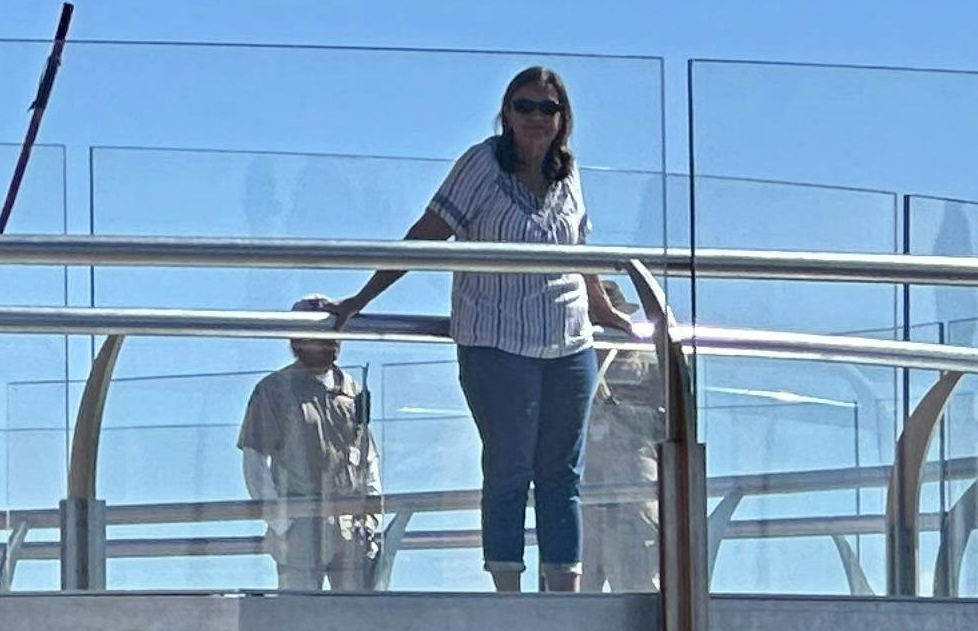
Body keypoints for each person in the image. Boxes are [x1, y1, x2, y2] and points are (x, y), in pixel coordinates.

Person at [311, 69, 642, 593]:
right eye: (525, 106)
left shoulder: (568, 171)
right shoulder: (482, 165)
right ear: (506, 113)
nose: (536, 117)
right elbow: (427, 233)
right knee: (509, 468)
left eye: (548, 108)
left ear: (563, 118)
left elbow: (580, 251)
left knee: (562, 474)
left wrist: (603, 310)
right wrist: (361, 299)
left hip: (569, 342)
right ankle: (509, 604)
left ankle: (564, 606)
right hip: (497, 342)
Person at [237, 329, 386, 591]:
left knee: (357, 613)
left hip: (349, 529)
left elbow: (367, 458)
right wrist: (282, 524)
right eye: (321, 334)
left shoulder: (350, 390)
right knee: (299, 612)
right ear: (298, 340)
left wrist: (370, 520)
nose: (332, 341)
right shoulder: (275, 389)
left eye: (335, 333)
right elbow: (254, 461)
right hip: (300, 526)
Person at [582, 329, 669, 594]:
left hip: (634, 480)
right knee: (579, 588)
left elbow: (664, 417)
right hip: (587, 481)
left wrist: (618, 406)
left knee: (637, 580)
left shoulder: (649, 350)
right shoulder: (574, 350)